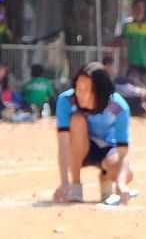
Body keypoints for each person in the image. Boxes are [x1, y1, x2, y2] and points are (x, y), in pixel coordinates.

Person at [52, 61, 133, 205]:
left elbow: (123, 151)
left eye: (86, 89)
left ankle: (105, 179)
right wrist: (64, 182)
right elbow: (63, 144)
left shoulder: (117, 106)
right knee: (77, 120)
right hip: (78, 148)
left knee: (127, 173)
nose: (79, 94)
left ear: (99, 90)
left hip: (107, 149)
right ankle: (75, 184)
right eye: (78, 88)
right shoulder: (67, 100)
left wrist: (121, 184)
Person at [122, 0, 146, 82]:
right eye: (138, 7)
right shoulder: (128, 24)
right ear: (133, 9)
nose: (140, 10)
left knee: (144, 84)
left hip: (144, 61)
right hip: (131, 60)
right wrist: (124, 58)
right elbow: (124, 43)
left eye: (142, 7)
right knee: (130, 83)